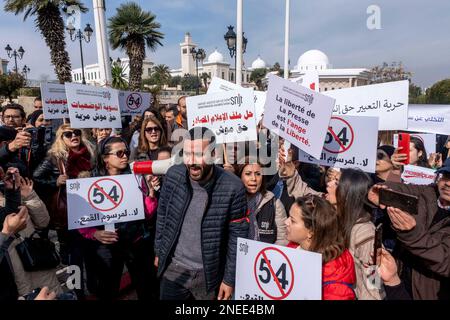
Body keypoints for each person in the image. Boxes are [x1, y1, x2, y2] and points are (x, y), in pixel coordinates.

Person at [155, 127, 248, 300]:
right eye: (187, 153)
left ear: (213, 155)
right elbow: (163, 216)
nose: (191, 161)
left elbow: (237, 238)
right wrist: (159, 251)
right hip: (174, 270)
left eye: (198, 154)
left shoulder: (233, 187)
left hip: (209, 275)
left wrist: (228, 279)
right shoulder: (173, 175)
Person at [78, 136, 158, 300]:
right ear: (105, 158)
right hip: (106, 246)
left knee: (147, 288)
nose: (125, 157)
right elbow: (81, 219)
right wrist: (94, 233)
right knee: (107, 291)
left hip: (135, 241)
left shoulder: (136, 178)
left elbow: (147, 214)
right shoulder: (88, 180)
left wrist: (150, 194)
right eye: (120, 153)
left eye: (127, 152)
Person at [368, 158, 450, 299]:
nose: (448, 183)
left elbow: (445, 261)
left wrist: (411, 234)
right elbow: (403, 188)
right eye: (446, 176)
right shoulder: (429, 193)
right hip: (395, 278)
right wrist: (382, 191)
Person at [33, 125, 95, 299]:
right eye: (68, 134)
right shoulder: (54, 157)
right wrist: (55, 181)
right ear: (61, 138)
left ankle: (94, 285)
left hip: (90, 209)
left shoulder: (90, 153)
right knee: (74, 257)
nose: (73, 136)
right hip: (68, 213)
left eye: (76, 133)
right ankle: (77, 292)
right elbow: (36, 177)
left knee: (90, 250)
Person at [326, 168, 384, 300]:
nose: (328, 184)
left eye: (336, 183)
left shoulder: (366, 234)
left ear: (348, 193)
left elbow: (373, 283)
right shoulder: (337, 218)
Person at [286, 195, 356, 300]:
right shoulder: (294, 246)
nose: (285, 222)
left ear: (311, 232)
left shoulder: (336, 284)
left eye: (292, 220)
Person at [236, 158, 287, 245]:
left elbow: (283, 239)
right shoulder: (234, 202)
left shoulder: (274, 203)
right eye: (248, 174)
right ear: (240, 176)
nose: (253, 178)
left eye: (258, 174)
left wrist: (268, 255)